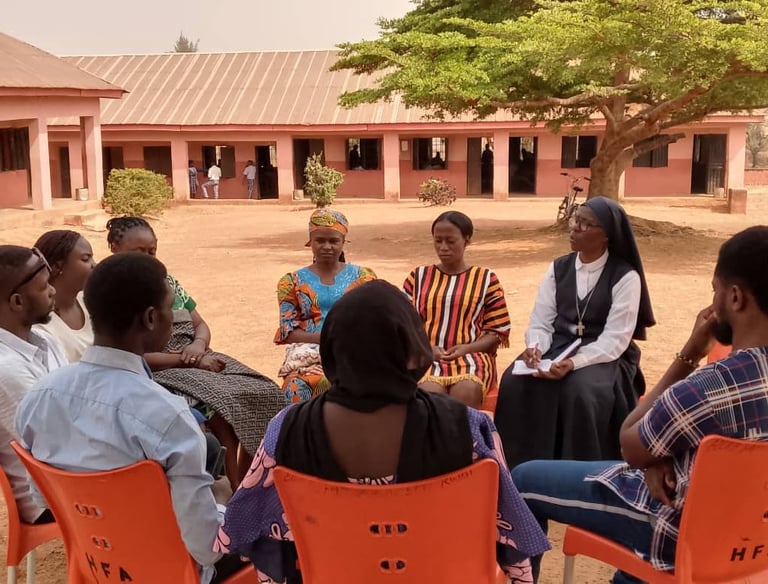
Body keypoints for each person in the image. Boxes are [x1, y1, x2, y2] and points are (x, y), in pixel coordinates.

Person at [216, 280, 550, 583]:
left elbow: (247, 530)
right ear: (414, 348)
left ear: (333, 350)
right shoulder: (470, 427)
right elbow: (513, 537)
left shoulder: (286, 430)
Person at [512, 225, 768, 584]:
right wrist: (659, 456)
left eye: (716, 291)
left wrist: (688, 356)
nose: (713, 304)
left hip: (678, 532)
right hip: (753, 540)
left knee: (523, 479)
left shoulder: (707, 389)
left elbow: (631, 444)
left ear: (736, 298)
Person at [16, 252, 243, 584]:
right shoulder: (169, 417)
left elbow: (42, 497)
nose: (173, 318)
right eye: (170, 309)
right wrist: (228, 506)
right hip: (172, 572)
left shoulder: (40, 398)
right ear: (151, 318)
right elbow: (207, 548)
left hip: (97, 561)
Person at [106, 216, 284, 487]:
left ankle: (253, 480)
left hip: (198, 353)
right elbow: (132, 356)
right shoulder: (113, 292)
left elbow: (199, 323)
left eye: (152, 251)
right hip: (165, 365)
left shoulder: (168, 281)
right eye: (138, 253)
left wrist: (198, 345)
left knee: (266, 392)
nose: (149, 259)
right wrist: (185, 360)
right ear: (114, 249)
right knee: (220, 411)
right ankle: (233, 490)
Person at [494, 197, 655, 468]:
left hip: (605, 357)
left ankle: (579, 471)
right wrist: (536, 348)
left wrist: (574, 363)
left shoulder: (626, 277)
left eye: (584, 224)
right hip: (557, 346)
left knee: (579, 390)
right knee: (515, 380)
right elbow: (542, 321)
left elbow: (615, 339)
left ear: (605, 234)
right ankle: (517, 468)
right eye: (574, 219)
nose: (574, 228)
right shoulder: (558, 268)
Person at [403, 211, 511, 408]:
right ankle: (438, 439)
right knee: (430, 395)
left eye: (451, 241)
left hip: (473, 357)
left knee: (467, 390)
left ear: (467, 240)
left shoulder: (486, 279)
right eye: (438, 240)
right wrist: (426, 349)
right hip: (428, 356)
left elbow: (498, 330)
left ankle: (466, 439)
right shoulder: (417, 277)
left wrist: (468, 348)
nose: (443, 247)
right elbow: (403, 325)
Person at [274, 208, 376, 403]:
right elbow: (288, 332)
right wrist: (326, 339)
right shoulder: (291, 282)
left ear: (343, 242)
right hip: (308, 357)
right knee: (295, 387)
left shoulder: (364, 278)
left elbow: (374, 322)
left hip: (353, 352)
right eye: (320, 240)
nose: (327, 246)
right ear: (310, 242)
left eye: (333, 241)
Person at [0, 245, 64, 525]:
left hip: (74, 473)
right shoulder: (7, 369)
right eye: (43, 287)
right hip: (51, 496)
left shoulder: (43, 339)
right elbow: (54, 445)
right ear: (16, 302)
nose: (52, 291)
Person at [33, 230, 95, 362]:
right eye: (86, 259)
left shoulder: (90, 302)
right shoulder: (39, 325)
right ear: (57, 266)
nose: (94, 265)